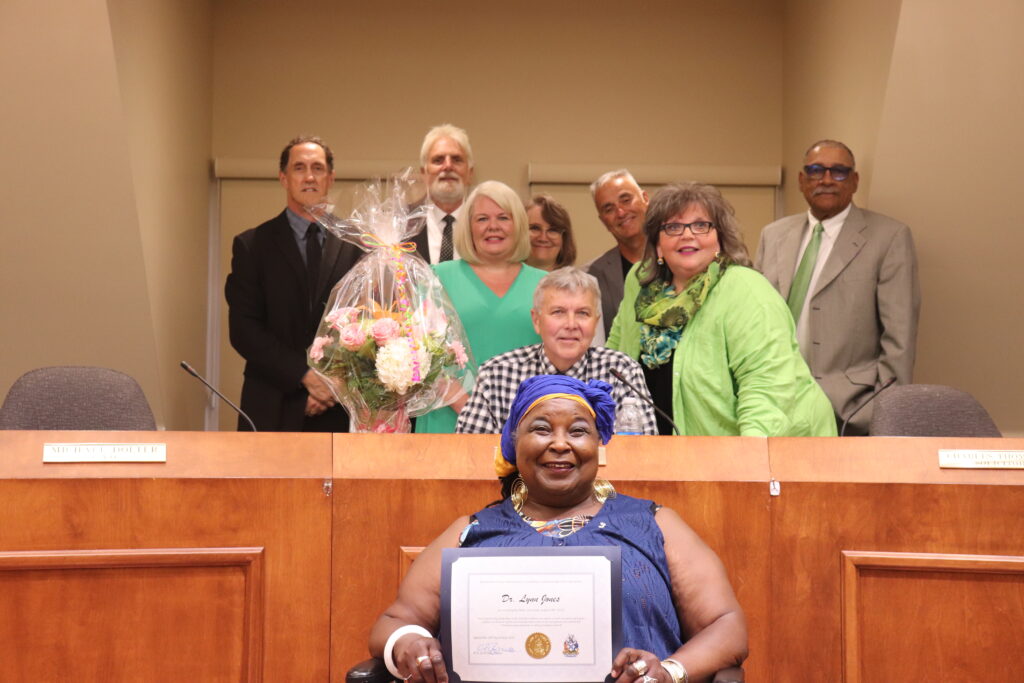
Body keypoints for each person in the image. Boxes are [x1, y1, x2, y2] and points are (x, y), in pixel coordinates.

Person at [371, 375, 748, 683]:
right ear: (513, 443)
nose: (560, 444)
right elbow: (395, 621)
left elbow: (726, 626)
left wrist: (670, 671)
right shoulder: (469, 532)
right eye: (541, 429)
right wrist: (409, 644)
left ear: (598, 445)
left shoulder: (654, 524)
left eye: (578, 431)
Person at [607, 182, 836, 437]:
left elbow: (766, 385)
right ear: (658, 244)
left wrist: (749, 454)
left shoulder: (746, 290)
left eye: (701, 225)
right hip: (660, 447)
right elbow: (614, 358)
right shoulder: (640, 284)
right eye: (673, 227)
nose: (687, 235)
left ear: (720, 239)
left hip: (773, 444)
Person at [756, 140, 921, 435]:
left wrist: (882, 413)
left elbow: (900, 338)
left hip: (849, 410)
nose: (827, 179)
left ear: (855, 181)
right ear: (802, 180)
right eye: (816, 170)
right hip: (775, 403)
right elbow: (753, 321)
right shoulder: (773, 235)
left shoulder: (889, 237)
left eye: (839, 171)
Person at [225, 135, 361, 431]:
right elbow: (244, 330)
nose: (309, 177)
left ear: (330, 178)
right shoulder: (252, 245)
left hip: (340, 406)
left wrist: (331, 384)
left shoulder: (357, 245)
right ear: (283, 178)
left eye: (318, 168)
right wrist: (306, 376)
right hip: (272, 404)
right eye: (299, 168)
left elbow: (368, 321)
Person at [456, 267, 656, 434]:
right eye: (558, 312)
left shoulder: (622, 371)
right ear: (536, 320)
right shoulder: (497, 374)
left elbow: (645, 454)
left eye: (582, 313)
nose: (571, 324)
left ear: (595, 323)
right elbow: (470, 454)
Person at [415, 181, 547, 433]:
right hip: (450, 419)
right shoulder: (436, 278)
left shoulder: (547, 285)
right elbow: (423, 355)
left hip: (526, 424)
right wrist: (472, 411)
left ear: (519, 224)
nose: (492, 226)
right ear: (468, 227)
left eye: (503, 217)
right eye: (482, 219)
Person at [587, 169, 650, 338]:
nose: (621, 212)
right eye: (609, 209)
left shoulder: (679, 260)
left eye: (626, 200)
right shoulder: (592, 276)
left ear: (645, 199)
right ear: (603, 221)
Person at [410, 124, 475, 264]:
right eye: (438, 160)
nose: (448, 166)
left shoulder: (486, 225)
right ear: (424, 173)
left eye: (456, 159)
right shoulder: (401, 225)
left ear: (470, 173)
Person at [525, 193, 577, 271]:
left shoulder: (579, 279)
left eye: (553, 230)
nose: (543, 238)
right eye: (535, 228)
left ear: (564, 238)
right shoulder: (506, 278)